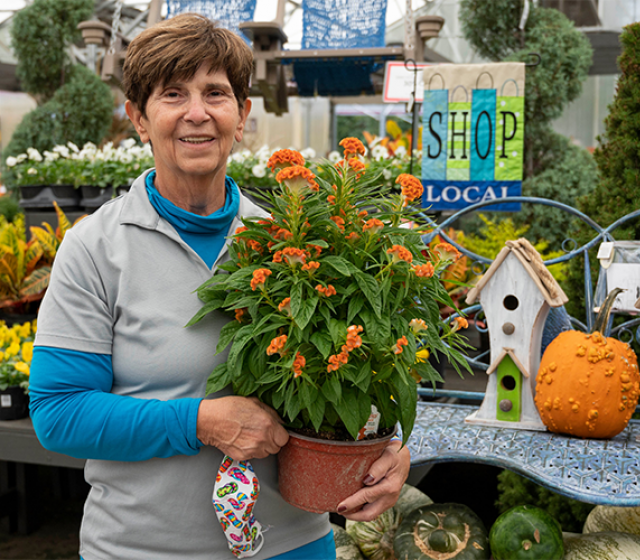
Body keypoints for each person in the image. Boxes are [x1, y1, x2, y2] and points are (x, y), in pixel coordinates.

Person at [29, 13, 411, 560]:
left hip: (292, 544)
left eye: (216, 93)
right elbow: (59, 413)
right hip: (143, 549)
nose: (197, 113)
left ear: (242, 114)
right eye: (172, 94)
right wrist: (200, 421)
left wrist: (389, 450)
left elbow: (361, 371)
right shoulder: (96, 249)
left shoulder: (294, 242)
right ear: (138, 118)